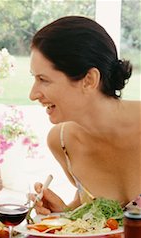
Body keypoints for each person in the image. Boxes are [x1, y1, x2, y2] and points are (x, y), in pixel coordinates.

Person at [29, 16, 140, 214]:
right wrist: (62, 214)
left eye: (43, 79)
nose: (33, 94)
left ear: (89, 80)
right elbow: (94, 214)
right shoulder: (61, 142)